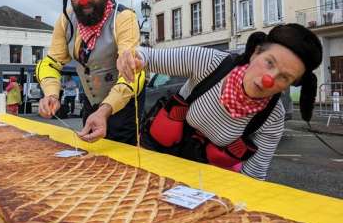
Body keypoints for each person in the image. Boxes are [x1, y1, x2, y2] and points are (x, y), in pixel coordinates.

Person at [117, 24, 323, 180]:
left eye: (284, 78)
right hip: (156, 151)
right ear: (255, 52)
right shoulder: (210, 62)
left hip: (202, 176)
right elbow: (148, 56)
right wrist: (133, 58)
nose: (269, 79)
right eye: (269, 62)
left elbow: (253, 176)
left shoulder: (273, 117)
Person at [36, 0, 145, 145]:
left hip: (125, 107)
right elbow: (51, 63)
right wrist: (51, 94)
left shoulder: (124, 18)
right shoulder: (66, 21)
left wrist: (105, 110)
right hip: (90, 103)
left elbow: (133, 70)